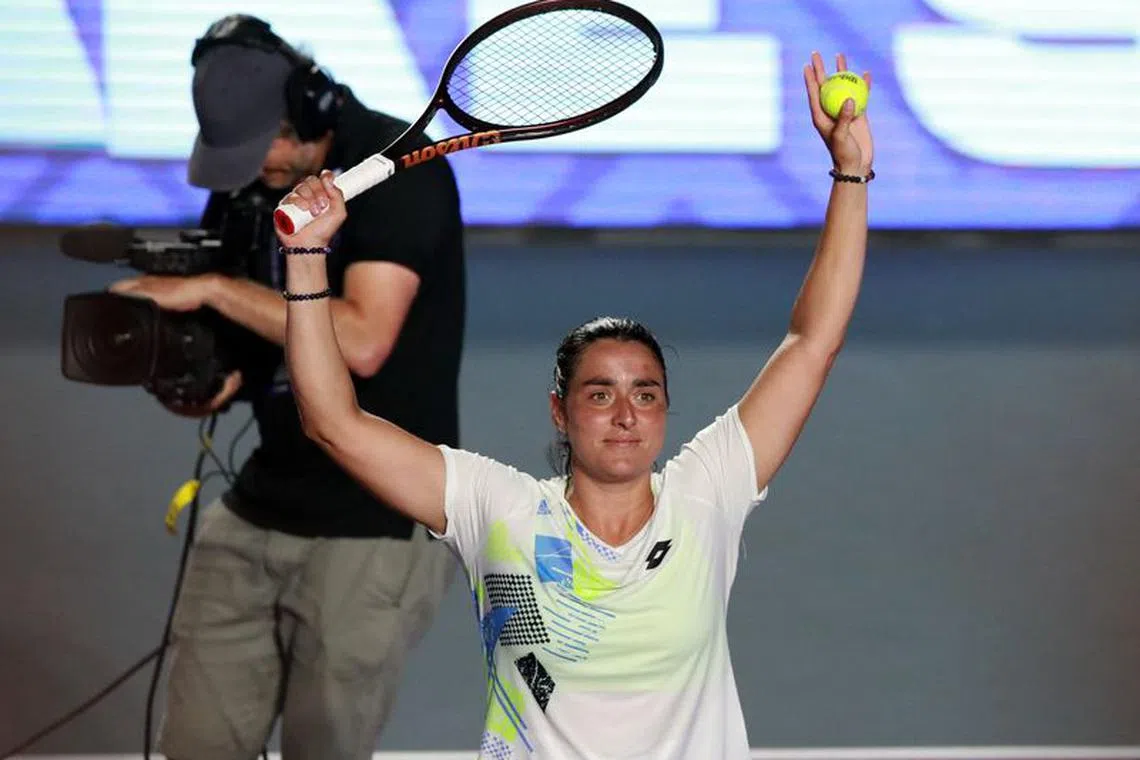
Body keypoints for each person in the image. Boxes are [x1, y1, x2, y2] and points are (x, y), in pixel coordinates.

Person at [273, 51, 873, 759]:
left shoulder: (707, 492)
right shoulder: (499, 510)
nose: (626, 413)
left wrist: (851, 173)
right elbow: (334, 425)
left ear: (665, 412)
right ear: (560, 412)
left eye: (645, 394)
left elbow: (812, 342)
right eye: (600, 393)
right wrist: (308, 259)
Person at [109, 14, 464, 760]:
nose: (257, 165)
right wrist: (213, 380)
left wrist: (212, 291)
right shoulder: (248, 182)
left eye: (266, 143)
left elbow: (363, 340)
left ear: (309, 108)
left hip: (369, 526)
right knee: (195, 745)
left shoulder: (403, 169)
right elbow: (256, 336)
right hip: (257, 507)